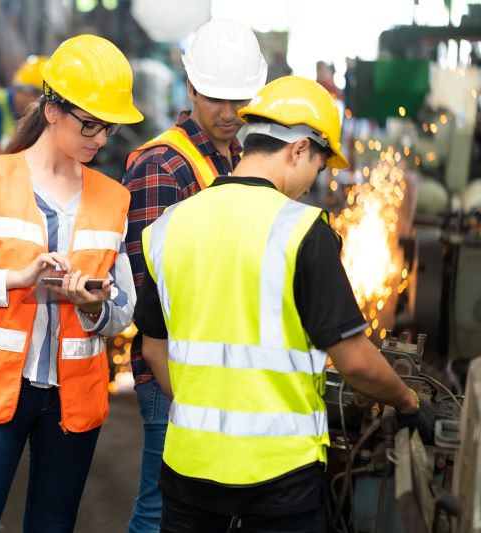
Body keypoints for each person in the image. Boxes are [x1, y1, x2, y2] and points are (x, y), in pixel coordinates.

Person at [135, 75, 435, 532]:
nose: (312, 182)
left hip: (189, 467)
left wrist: (206, 412)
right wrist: (409, 401)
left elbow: (154, 348)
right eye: (317, 167)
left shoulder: (168, 227)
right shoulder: (303, 230)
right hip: (279, 475)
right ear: (297, 149)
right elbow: (354, 360)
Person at [0, 34, 143, 532]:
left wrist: (93, 305)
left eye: (109, 127)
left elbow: (124, 304)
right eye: (91, 124)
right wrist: (14, 279)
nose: (101, 139)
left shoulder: (112, 199)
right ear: (52, 109)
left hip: (72, 396)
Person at [120, 18, 267, 532]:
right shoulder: (163, 166)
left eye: (240, 100)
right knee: (161, 510)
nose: (229, 114)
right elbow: (148, 291)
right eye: (216, 100)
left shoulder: (239, 158)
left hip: (215, 371)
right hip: (173, 372)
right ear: (190, 89)